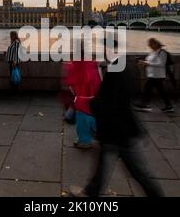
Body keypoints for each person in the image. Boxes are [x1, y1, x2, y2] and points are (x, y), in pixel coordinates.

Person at [69, 40, 164, 197]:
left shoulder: (116, 70)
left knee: (139, 172)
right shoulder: (127, 65)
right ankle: (91, 191)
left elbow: (110, 102)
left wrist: (92, 103)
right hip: (120, 127)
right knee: (104, 162)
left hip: (119, 130)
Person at [63, 55, 101, 149]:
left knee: (82, 121)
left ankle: (84, 141)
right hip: (93, 99)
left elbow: (70, 84)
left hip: (81, 99)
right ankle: (96, 133)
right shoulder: (93, 64)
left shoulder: (74, 65)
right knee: (93, 117)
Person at [136, 38, 174, 112]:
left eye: (150, 44)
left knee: (147, 88)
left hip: (157, 75)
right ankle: (169, 106)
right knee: (161, 91)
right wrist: (143, 62)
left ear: (155, 44)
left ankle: (143, 104)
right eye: (149, 45)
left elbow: (161, 64)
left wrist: (147, 63)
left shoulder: (162, 52)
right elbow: (150, 61)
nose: (149, 46)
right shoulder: (153, 52)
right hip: (152, 74)